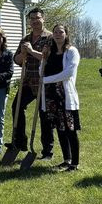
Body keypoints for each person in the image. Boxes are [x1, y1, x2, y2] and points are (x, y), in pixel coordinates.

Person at [10, 8, 54, 156]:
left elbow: (49, 59)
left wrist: (31, 52)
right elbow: (16, 60)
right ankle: (20, 142)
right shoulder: (25, 39)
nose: (35, 21)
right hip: (28, 82)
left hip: (44, 82)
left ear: (43, 19)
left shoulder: (50, 38)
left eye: (38, 18)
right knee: (16, 107)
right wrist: (23, 53)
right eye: (32, 19)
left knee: (44, 115)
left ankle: (47, 150)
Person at [42, 23, 81, 171]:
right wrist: (44, 57)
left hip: (65, 95)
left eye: (61, 32)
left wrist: (46, 80)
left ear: (66, 34)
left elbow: (68, 73)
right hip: (51, 96)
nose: (58, 34)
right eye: (55, 32)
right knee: (60, 128)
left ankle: (75, 163)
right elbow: (42, 72)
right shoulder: (50, 53)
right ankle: (66, 159)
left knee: (70, 129)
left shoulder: (71, 52)